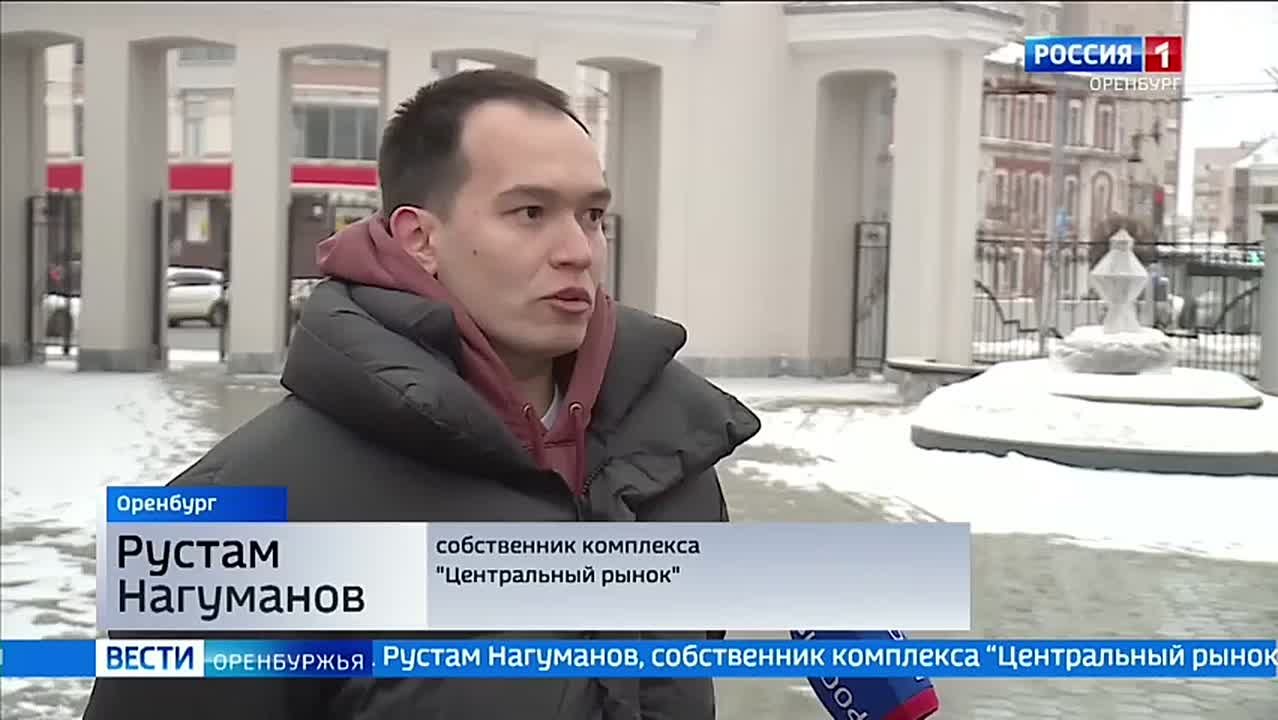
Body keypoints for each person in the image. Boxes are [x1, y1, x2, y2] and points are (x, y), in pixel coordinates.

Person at [82, 69, 760, 719]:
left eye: (592, 215)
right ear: (419, 239)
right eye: (530, 212)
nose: (578, 250)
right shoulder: (233, 521)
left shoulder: (671, 467)